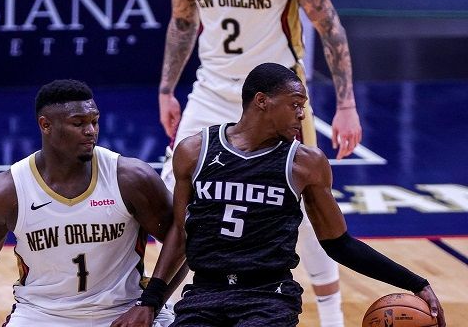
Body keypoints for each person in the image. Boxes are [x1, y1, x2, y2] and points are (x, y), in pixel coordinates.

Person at [112, 63, 445, 327]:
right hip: (204, 293)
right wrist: (150, 302)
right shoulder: (194, 151)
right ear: (262, 101)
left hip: (268, 297)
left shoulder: (305, 163)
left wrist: (415, 282)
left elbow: (339, 244)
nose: (302, 114)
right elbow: (180, 233)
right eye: (295, 105)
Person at [157, 0, 362, 325]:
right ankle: (169, 304)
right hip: (210, 91)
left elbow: (328, 23)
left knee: (305, 205)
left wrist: (346, 104)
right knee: (174, 198)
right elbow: (182, 22)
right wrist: (167, 89)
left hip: (276, 100)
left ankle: (332, 315)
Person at [0, 79, 185, 327]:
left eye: (94, 121)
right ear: (45, 125)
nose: (91, 131)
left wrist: (150, 304)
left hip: (126, 310)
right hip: (41, 315)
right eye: (78, 123)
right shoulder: (4, 193)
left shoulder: (131, 178)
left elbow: (183, 239)